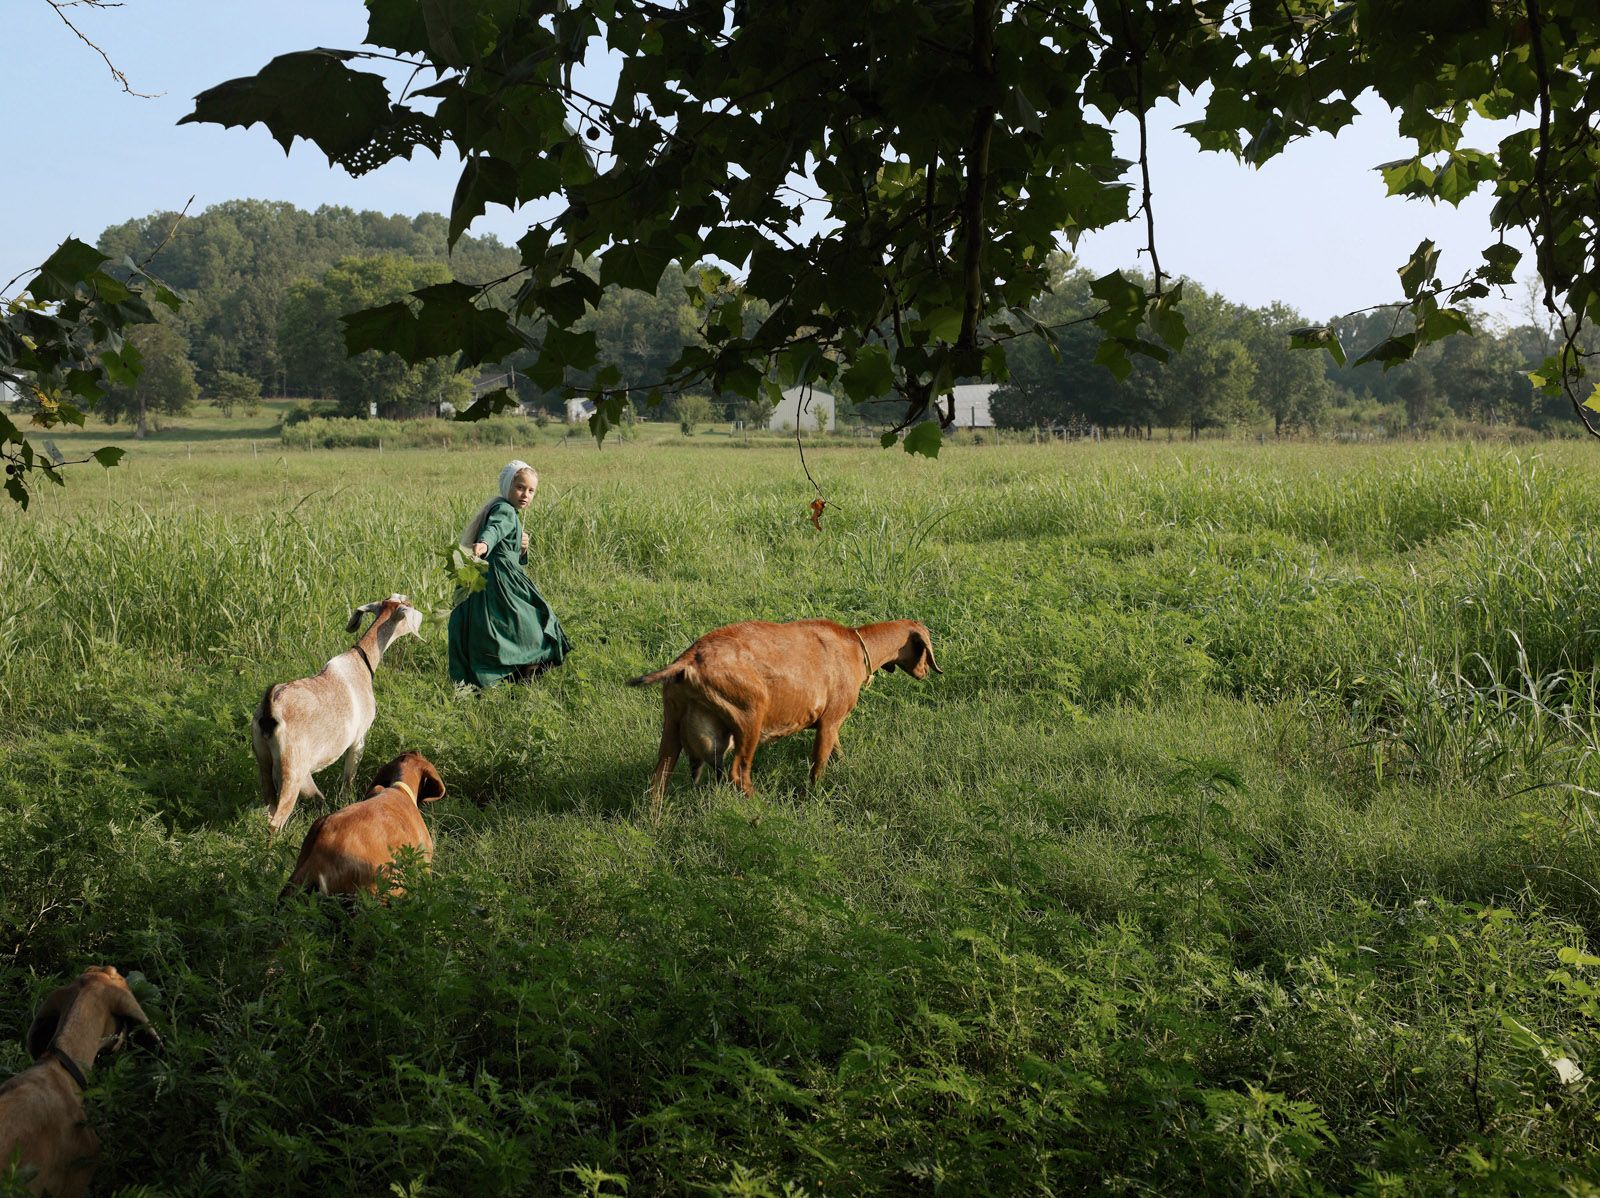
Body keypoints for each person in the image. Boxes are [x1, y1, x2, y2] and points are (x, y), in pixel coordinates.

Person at [448, 460, 571, 689]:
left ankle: (511, 674)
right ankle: (520, 672)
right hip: (502, 580)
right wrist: (484, 543)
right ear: (507, 486)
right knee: (535, 624)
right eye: (520, 487)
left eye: (531, 490)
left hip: (502, 576)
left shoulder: (507, 510)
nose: (525, 494)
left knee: (504, 627)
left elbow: (509, 547)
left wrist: (522, 546)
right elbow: (494, 530)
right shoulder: (504, 509)